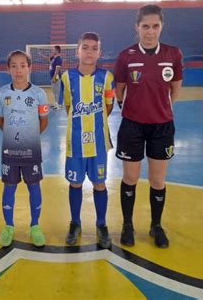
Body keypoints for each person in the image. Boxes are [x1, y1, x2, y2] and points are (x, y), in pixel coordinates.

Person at [113, 4, 183, 249]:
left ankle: (156, 225)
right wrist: (132, 108)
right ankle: (128, 225)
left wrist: (161, 108)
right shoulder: (126, 56)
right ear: (137, 27)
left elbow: (175, 88)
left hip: (162, 127)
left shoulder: (173, 54)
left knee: (157, 180)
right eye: (145, 26)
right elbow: (119, 90)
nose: (150, 32)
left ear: (161, 26)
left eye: (155, 26)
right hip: (132, 126)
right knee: (130, 177)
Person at [59, 32, 115, 249]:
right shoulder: (66, 77)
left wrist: (95, 123)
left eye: (94, 48)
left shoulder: (107, 77)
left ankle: (101, 224)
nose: (89, 52)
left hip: (99, 142)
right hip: (75, 143)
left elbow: (108, 106)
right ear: (77, 51)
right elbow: (67, 106)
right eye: (85, 47)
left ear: (99, 52)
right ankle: (75, 222)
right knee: (75, 182)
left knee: (100, 183)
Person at [0, 50, 49, 247]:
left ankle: (35, 226)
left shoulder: (39, 93)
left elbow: (44, 121)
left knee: (34, 186)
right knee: (9, 187)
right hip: (9, 151)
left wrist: (30, 137)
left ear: (29, 68)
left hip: (31, 151)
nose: (19, 70)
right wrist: (13, 137)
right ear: (8, 69)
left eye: (22, 65)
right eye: (14, 66)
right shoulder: (2, 94)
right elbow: (0, 121)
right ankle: (8, 226)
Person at [49, 45, 63, 110]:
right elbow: (49, 59)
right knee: (54, 91)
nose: (52, 50)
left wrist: (54, 77)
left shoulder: (59, 58)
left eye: (54, 49)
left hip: (56, 77)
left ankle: (58, 105)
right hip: (52, 77)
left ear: (57, 50)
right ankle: (56, 103)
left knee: (57, 91)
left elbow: (58, 68)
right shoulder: (54, 58)